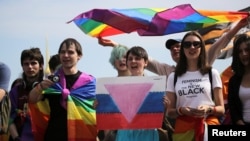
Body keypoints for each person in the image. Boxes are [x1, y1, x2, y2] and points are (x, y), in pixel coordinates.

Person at [29, 38, 97, 141]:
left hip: (82, 135)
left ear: (79, 56)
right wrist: (40, 87)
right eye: (62, 52)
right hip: (54, 135)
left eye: (70, 52)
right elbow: (32, 99)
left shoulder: (89, 83)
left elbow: (98, 108)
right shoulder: (52, 81)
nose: (66, 55)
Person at [166, 31, 225, 141]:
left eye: (196, 44)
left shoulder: (212, 73)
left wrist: (208, 109)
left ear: (201, 47)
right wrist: (181, 110)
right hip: (183, 131)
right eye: (187, 44)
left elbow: (221, 109)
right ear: (183, 49)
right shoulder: (173, 77)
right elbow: (170, 112)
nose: (191, 47)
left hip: (208, 126)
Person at [114, 46, 159, 141]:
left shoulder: (157, 86)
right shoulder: (118, 87)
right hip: (125, 134)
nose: (133, 61)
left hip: (147, 134)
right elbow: (112, 112)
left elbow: (161, 112)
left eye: (137, 58)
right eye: (130, 59)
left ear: (145, 62)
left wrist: (165, 105)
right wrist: (100, 105)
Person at [8, 48, 44, 141]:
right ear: (22, 67)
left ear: (41, 66)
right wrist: (16, 138)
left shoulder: (48, 90)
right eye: (26, 64)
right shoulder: (15, 91)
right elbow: (9, 119)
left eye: (33, 63)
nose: (30, 67)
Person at [228, 33, 250, 125]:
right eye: (240, 51)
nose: (244, 54)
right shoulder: (234, 81)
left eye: (247, 50)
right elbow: (233, 109)